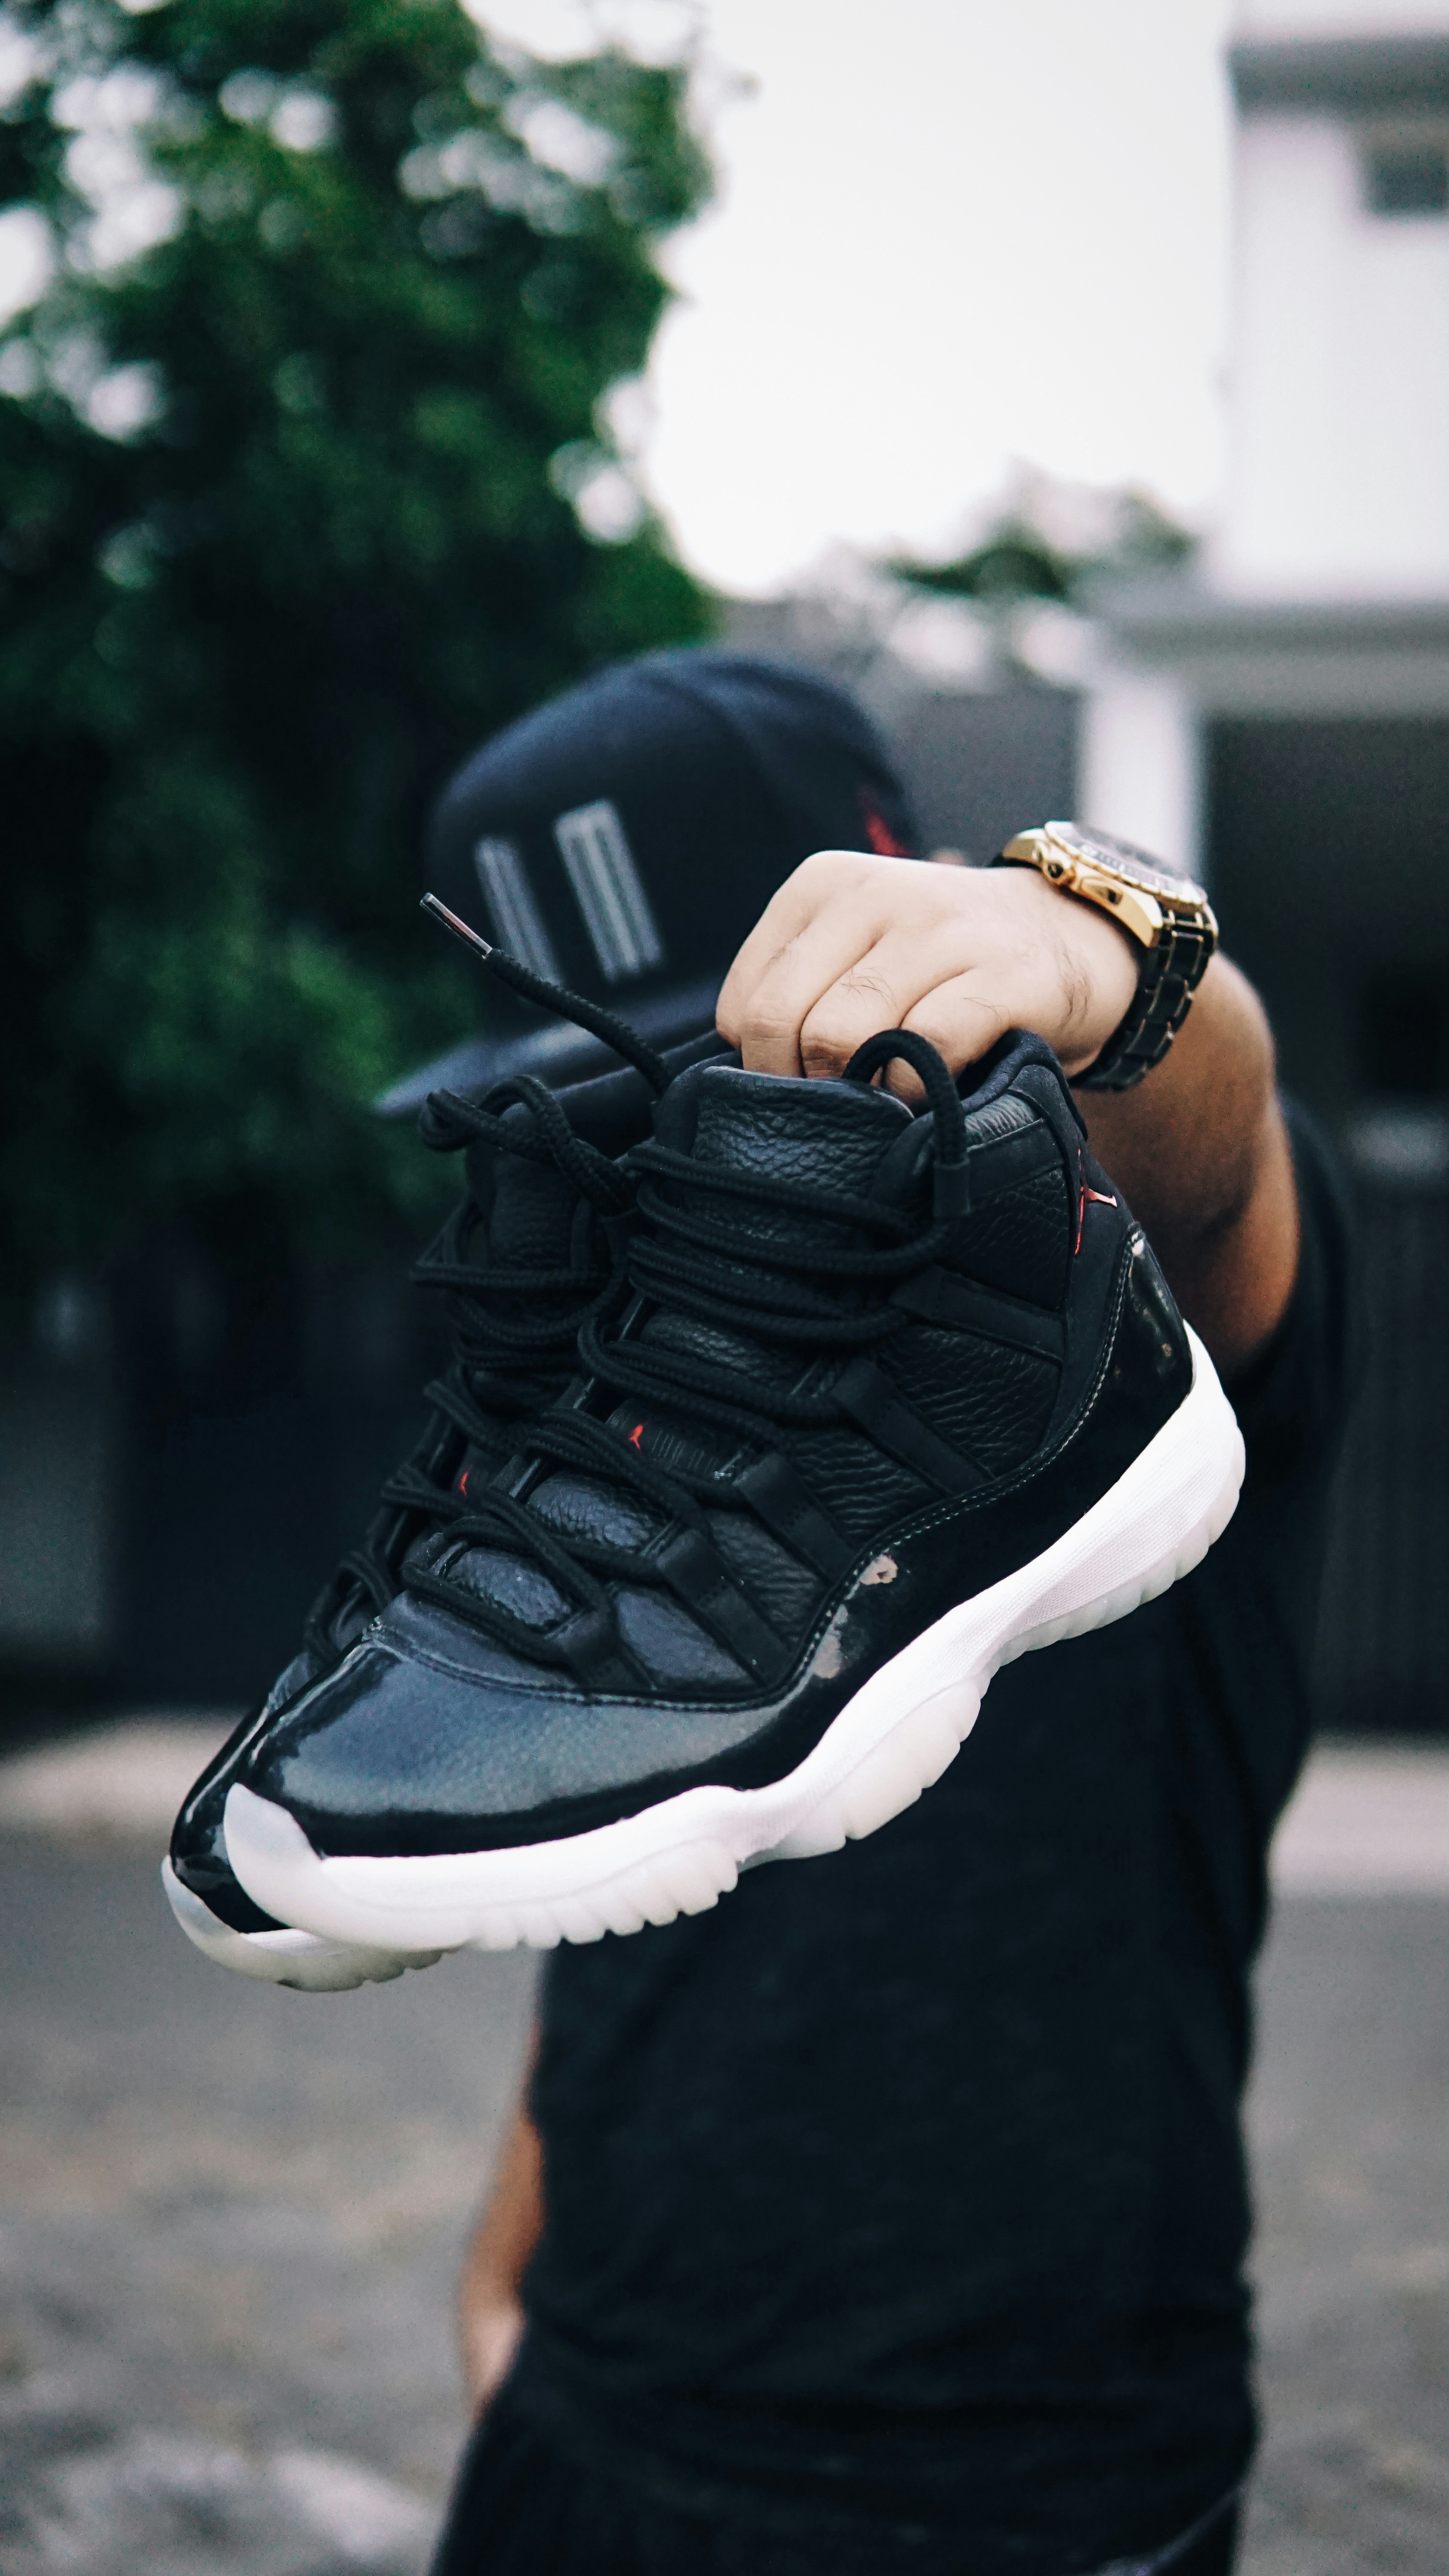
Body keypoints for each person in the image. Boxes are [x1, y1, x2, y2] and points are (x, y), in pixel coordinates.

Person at [427, 778, 1352, 2572]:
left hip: (1022, 2496)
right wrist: (503, 2278)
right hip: (584, 2432)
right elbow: (636, 1851)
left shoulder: (1124, 1315)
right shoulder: (641, 1400)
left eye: (727, 1111)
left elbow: (1217, 1143)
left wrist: (1088, 948)